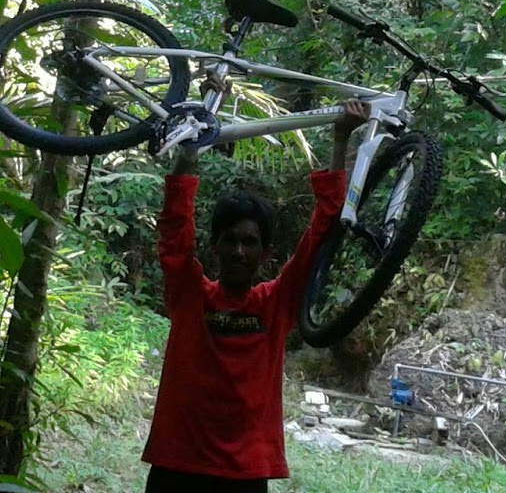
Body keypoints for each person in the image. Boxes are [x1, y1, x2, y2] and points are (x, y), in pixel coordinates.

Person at [140, 99, 371, 492]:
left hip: (244, 473)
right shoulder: (190, 294)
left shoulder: (275, 303)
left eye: (250, 242)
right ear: (214, 245)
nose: (239, 251)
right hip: (177, 464)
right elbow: (175, 231)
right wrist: (189, 155)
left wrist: (340, 136)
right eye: (230, 241)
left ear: (266, 253)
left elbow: (322, 231)